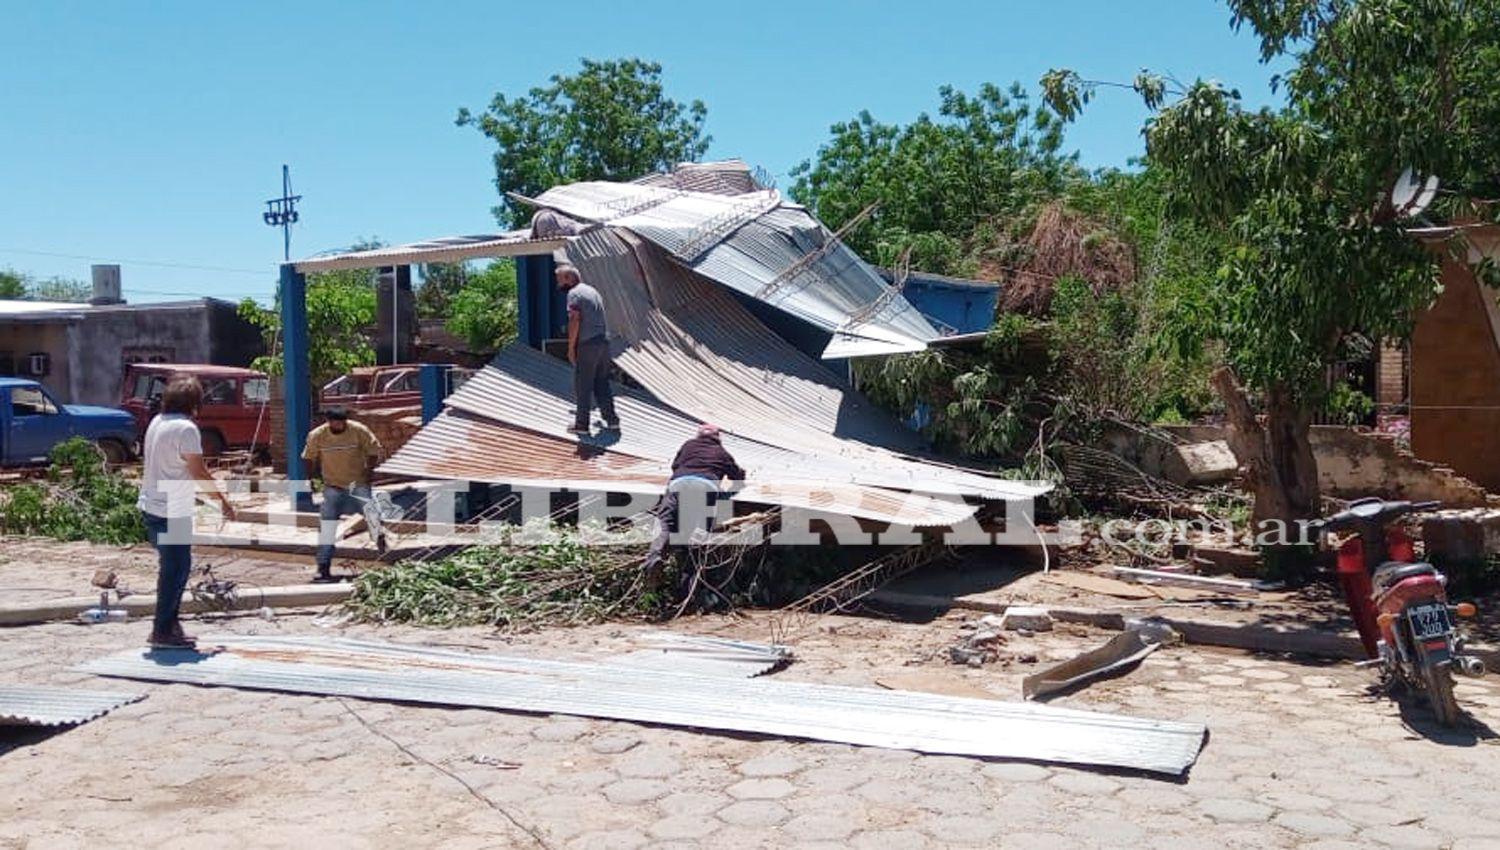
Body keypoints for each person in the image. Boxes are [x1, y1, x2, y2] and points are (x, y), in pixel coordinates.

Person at [136, 375, 237, 649]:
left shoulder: (157, 422)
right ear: (194, 402)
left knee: (171, 568)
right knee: (176, 570)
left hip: (152, 504)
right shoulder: (187, 429)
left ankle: (170, 626)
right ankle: (162, 630)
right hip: (174, 510)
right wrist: (222, 501)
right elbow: (198, 471)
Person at [641, 424, 746, 580]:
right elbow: (736, 477)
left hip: (679, 483)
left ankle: (654, 558)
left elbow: (674, 466)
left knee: (664, 521)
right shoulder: (723, 453)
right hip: (706, 487)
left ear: (699, 435)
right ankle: (687, 578)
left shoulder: (688, 445)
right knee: (700, 532)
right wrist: (735, 482)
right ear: (718, 438)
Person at [302, 405, 384, 582]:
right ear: (329, 422)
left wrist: (369, 472)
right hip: (333, 487)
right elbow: (308, 458)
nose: (340, 426)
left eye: (342, 422)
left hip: (358, 484)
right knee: (327, 528)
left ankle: (384, 553)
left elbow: (373, 450)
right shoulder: (318, 435)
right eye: (336, 423)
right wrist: (311, 480)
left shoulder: (358, 431)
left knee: (373, 517)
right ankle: (323, 567)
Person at [557, 261, 619, 435]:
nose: (558, 284)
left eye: (560, 279)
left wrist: (570, 347)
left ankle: (582, 425)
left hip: (587, 343)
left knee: (583, 384)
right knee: (601, 382)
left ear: (569, 278)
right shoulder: (593, 291)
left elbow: (575, 319)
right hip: (603, 342)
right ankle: (612, 421)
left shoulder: (574, 293)